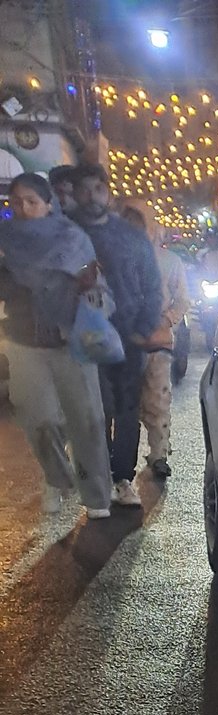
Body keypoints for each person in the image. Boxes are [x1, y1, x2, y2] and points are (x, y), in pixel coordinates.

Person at [0, 172, 112, 518]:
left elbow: (94, 283)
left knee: (87, 420)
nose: (23, 207)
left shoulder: (71, 239)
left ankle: (96, 497)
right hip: (24, 341)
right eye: (16, 202)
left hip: (71, 339)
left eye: (31, 201)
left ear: (48, 204)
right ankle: (57, 478)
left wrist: (89, 308)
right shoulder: (5, 242)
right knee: (39, 419)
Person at [72, 164, 162, 508]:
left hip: (126, 335)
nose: (92, 196)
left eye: (99, 188)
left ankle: (122, 476)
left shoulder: (130, 236)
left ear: (107, 193)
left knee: (125, 407)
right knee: (94, 410)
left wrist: (143, 327)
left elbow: (151, 284)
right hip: (83, 335)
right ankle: (96, 478)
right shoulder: (70, 233)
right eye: (86, 189)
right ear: (77, 193)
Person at [122, 204, 189, 478]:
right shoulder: (115, 261)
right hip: (124, 343)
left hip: (158, 341)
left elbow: (183, 299)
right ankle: (122, 466)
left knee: (158, 399)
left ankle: (159, 454)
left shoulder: (170, 262)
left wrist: (168, 319)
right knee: (127, 405)